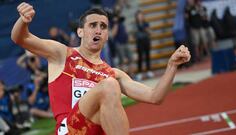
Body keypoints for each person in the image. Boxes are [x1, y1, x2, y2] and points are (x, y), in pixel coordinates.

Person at [11, 2, 191, 135]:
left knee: (110, 83)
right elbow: (20, 38)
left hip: (96, 130)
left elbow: (155, 97)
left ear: (106, 36)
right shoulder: (62, 54)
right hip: (70, 131)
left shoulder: (113, 73)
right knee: (109, 85)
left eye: (103, 27)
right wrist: (23, 21)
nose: (98, 30)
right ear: (80, 32)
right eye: (93, 25)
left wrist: (172, 65)